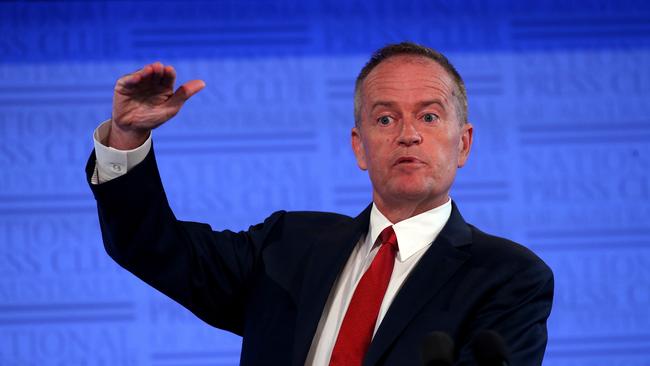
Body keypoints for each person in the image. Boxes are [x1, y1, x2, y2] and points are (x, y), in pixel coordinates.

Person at [86, 42, 553, 365]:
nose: (408, 133)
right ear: (359, 147)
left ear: (464, 144)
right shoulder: (287, 247)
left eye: (429, 116)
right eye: (385, 118)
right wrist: (128, 135)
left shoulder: (508, 277)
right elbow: (149, 246)